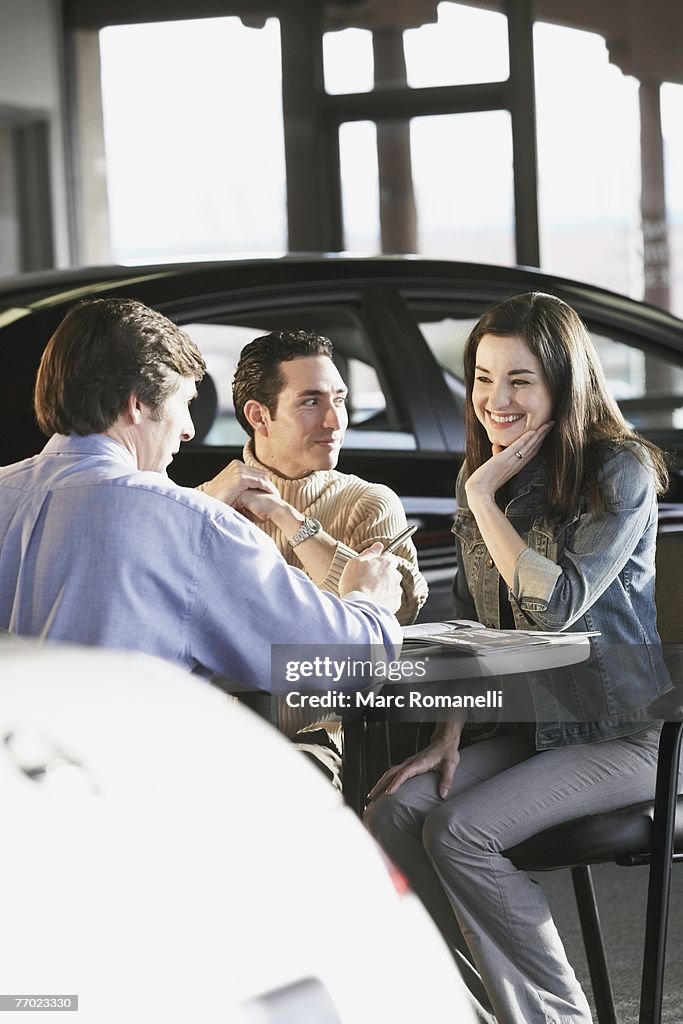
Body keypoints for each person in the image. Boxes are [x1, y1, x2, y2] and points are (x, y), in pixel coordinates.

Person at [364, 292, 678, 1024]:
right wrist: (444, 738)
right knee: (394, 808)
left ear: (563, 383)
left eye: (519, 380)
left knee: (459, 831)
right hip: (532, 731)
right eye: (481, 378)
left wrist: (479, 497)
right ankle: (469, 1008)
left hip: (629, 734)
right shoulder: (494, 475)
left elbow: (554, 604)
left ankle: (553, 1018)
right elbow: (478, 626)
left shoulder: (619, 471)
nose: (494, 400)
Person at [0, 299, 404, 691]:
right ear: (136, 405)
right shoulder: (193, 524)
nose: (189, 429)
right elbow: (338, 662)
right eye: (185, 402)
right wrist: (368, 599)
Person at [200, 329, 428, 783]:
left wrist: (288, 518)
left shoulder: (369, 503)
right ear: (258, 416)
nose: (334, 421)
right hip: (213, 731)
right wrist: (205, 509)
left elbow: (395, 615)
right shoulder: (204, 504)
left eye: (339, 399)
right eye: (311, 402)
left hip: (328, 739)